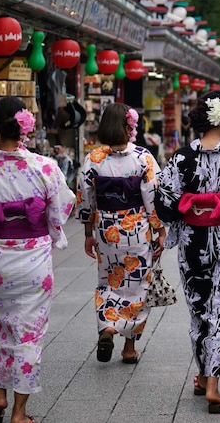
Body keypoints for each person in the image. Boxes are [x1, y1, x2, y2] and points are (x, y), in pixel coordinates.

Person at [0, 97, 75, 423]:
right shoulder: (45, 167)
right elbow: (64, 205)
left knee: (0, 326)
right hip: (34, 257)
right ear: (25, 128)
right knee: (30, 332)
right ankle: (20, 412)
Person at [154, 90, 220, 414]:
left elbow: (165, 204)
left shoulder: (181, 157)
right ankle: (212, 384)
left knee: (199, 307)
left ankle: (203, 375)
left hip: (192, 241)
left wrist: (190, 207)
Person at [76, 103, 166, 364]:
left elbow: (85, 198)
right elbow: (152, 197)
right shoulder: (142, 157)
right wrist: (159, 228)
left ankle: (107, 326)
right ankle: (129, 347)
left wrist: (87, 231)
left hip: (106, 228)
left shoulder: (93, 159)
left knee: (108, 280)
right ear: (129, 126)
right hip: (136, 227)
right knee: (137, 285)